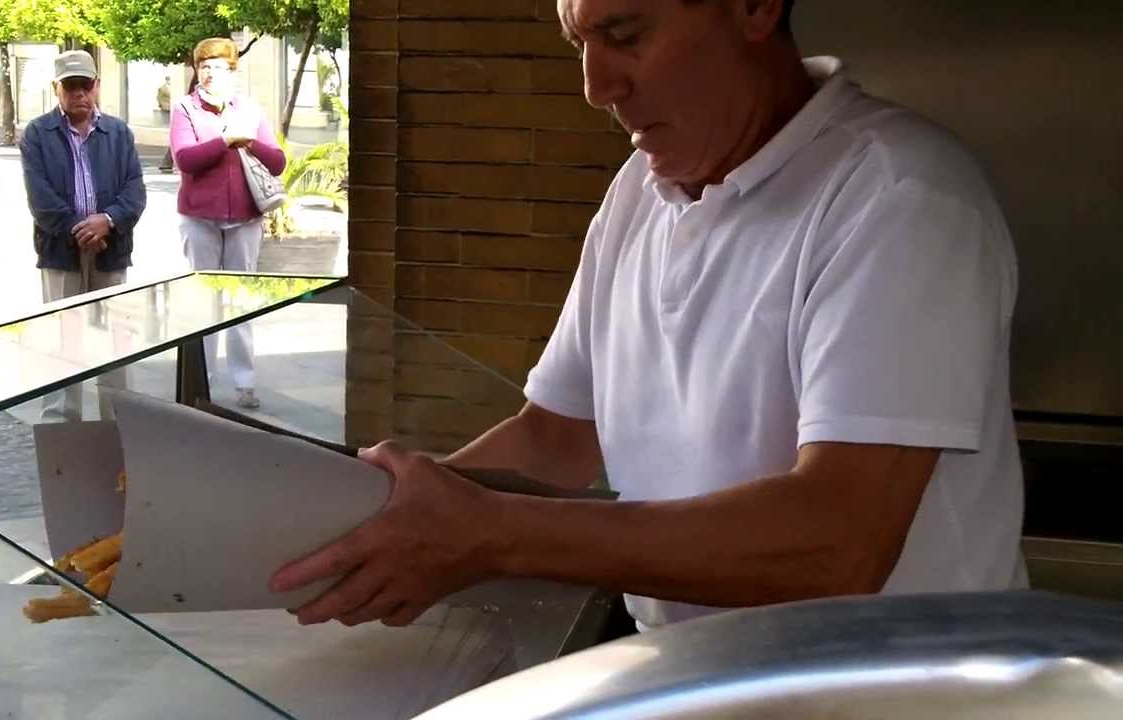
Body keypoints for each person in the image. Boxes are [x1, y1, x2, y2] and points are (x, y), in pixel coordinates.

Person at [270, 0, 1028, 632]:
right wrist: (372, 529)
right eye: (580, 43)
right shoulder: (640, 188)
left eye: (625, 35)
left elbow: (837, 542)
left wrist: (492, 532)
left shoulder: (899, 199)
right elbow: (557, 437)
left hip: (903, 692)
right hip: (704, 680)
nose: (597, 86)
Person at [20, 49, 146, 421]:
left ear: (97, 86)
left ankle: (119, 415)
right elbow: (40, 199)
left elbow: (135, 190)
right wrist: (82, 230)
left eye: (85, 85)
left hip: (112, 247)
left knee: (117, 338)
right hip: (61, 249)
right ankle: (61, 418)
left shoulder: (119, 132)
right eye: (70, 86)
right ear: (56, 89)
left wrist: (107, 221)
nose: (79, 94)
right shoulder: (37, 134)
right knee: (63, 336)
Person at [170, 37, 286, 410]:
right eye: (203, 66)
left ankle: (244, 381)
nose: (208, 73)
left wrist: (249, 141)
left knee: (241, 301)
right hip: (199, 218)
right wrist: (223, 141)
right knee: (204, 298)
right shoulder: (185, 109)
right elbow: (185, 159)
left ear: (233, 71)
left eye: (217, 66)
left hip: (245, 220)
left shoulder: (249, 109)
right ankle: (202, 382)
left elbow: (278, 161)